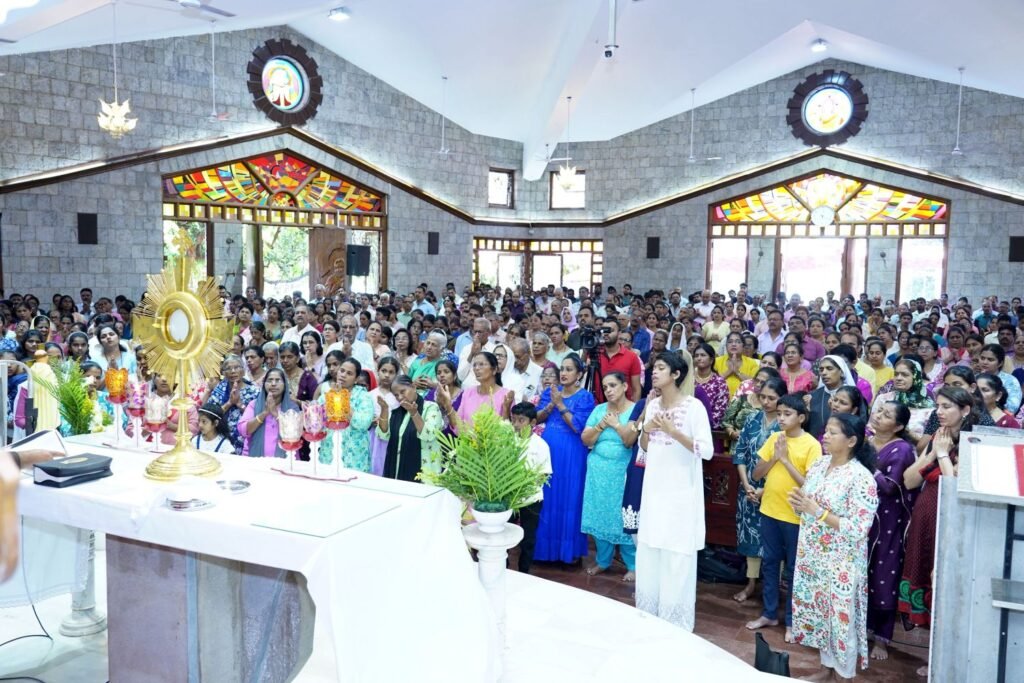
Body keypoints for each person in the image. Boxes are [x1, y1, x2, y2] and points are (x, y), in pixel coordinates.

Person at [788, 414, 879, 681]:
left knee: (842, 621)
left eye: (832, 432)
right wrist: (800, 503)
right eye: (825, 431)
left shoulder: (861, 478)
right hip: (812, 555)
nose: (825, 436)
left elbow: (859, 528)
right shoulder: (820, 464)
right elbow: (809, 502)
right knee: (821, 615)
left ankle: (844, 676)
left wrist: (818, 512)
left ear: (851, 441)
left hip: (842, 562)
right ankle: (826, 670)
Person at [899, 386, 975, 678]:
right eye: (938, 406)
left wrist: (943, 455)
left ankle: (946, 659)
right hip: (925, 518)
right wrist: (932, 453)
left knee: (944, 585)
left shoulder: (972, 442)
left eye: (947, 407)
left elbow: (955, 487)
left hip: (952, 522)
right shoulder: (936, 438)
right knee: (923, 577)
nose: (940, 412)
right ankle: (933, 653)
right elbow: (908, 481)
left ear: (965, 410)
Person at [635, 351, 714, 632]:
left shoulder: (694, 408)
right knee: (650, 551)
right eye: (653, 368)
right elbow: (644, 447)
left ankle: (675, 626)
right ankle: (648, 619)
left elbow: (707, 450)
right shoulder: (653, 405)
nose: (653, 372)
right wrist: (647, 429)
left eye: (660, 368)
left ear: (676, 374)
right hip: (654, 491)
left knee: (676, 556)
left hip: (681, 495)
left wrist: (674, 432)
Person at [746, 394, 822, 643]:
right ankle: (769, 614)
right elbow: (757, 474)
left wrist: (785, 460)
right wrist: (774, 458)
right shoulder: (774, 438)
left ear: (801, 417)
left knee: (793, 569)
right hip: (769, 510)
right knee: (769, 564)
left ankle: (792, 620)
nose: (781, 418)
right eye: (779, 413)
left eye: (787, 414)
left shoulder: (812, 445)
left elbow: (810, 485)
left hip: (795, 516)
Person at [866, 401, 918, 662]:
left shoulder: (902, 449)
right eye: (879, 411)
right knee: (861, 575)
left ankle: (882, 639)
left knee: (883, 577)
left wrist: (869, 467)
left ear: (898, 426)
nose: (878, 416)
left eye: (886, 415)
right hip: (863, 518)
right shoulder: (866, 441)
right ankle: (862, 629)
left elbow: (889, 486)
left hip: (888, 523)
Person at [534, 354, 597, 564]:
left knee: (570, 497)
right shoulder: (550, 392)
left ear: (579, 374)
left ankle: (568, 553)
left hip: (572, 452)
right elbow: (536, 418)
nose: (564, 373)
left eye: (569, 369)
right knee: (547, 497)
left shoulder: (585, 397)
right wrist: (550, 405)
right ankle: (545, 552)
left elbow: (578, 426)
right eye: (562, 368)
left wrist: (560, 404)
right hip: (548, 450)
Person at [731, 375, 786, 604]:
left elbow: (786, 463)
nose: (765, 402)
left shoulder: (786, 426)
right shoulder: (752, 419)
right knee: (750, 538)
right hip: (748, 490)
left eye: (771, 398)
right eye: (762, 396)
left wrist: (764, 490)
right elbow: (740, 453)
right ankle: (751, 583)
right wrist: (746, 485)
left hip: (775, 491)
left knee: (774, 541)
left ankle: (772, 588)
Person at [581, 372, 639, 581]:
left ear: (625, 386)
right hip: (598, 472)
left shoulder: (635, 410)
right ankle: (603, 561)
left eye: (613, 385)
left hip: (622, 471)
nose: (608, 390)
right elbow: (586, 439)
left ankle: (633, 565)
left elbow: (628, 441)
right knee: (600, 513)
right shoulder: (599, 410)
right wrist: (600, 425)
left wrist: (615, 424)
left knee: (622, 516)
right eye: (605, 387)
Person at [509, 402, 553, 574]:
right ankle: (503, 568)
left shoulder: (541, 445)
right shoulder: (507, 441)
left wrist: (524, 484)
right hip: (509, 497)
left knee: (528, 539)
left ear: (533, 423)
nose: (516, 425)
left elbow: (544, 474)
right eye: (513, 420)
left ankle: (523, 572)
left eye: (521, 420)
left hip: (531, 499)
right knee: (504, 533)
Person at [377, 374, 444, 481]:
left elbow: (429, 435)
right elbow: (384, 434)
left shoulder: (430, 407)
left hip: (425, 473)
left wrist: (414, 414)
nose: (400, 397)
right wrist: (384, 409)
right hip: (397, 472)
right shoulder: (396, 412)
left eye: (403, 391)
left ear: (413, 387)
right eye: (396, 395)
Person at [318, 353, 374, 472]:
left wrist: (341, 399)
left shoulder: (363, 396)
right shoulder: (327, 395)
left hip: (354, 456)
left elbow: (364, 423)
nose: (343, 375)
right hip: (329, 451)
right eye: (342, 371)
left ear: (356, 379)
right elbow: (318, 422)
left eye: (349, 373)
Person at [869, 356, 934, 443]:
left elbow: (928, 443)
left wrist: (906, 431)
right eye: (896, 374)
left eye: (905, 375)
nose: (898, 378)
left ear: (916, 377)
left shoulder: (930, 409)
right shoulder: (883, 399)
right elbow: (870, 427)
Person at [238, 368, 300, 457]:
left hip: (287, 458)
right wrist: (264, 412)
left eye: (278, 380)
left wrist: (275, 413)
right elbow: (243, 430)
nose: (273, 384)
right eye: (270, 380)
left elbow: (295, 433)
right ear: (264, 385)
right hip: (254, 459)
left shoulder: (292, 407)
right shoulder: (254, 405)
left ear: (285, 385)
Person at [207, 354, 260, 454]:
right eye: (228, 368)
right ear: (223, 372)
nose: (233, 371)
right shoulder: (220, 388)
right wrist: (229, 403)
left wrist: (240, 404)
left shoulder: (254, 391)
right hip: (221, 439)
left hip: (246, 440)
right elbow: (210, 415)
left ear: (243, 370)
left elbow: (258, 418)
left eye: (236, 367)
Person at [806, 355, 857, 439]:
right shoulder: (812, 396)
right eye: (821, 369)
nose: (824, 373)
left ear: (841, 372)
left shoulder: (853, 395)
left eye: (829, 369)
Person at [368, 357, 401, 475]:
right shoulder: (370, 395)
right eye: (384, 371)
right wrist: (371, 420)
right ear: (378, 371)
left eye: (391, 372)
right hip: (371, 436)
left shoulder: (398, 397)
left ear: (396, 374)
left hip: (391, 437)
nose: (387, 375)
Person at [692, 342, 728, 429]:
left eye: (703, 355)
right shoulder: (688, 379)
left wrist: (702, 425)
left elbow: (720, 412)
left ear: (711, 360)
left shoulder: (719, 382)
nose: (699, 358)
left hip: (709, 428)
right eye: (696, 356)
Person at [978, 343, 1022, 414]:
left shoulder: (1010, 380)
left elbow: (1012, 407)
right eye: (982, 358)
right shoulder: (975, 377)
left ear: (1000, 363)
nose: (985, 362)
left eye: (990, 360)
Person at [714, 332, 760, 398]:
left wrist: (737, 372)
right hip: (719, 400)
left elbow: (755, 384)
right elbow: (712, 384)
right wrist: (729, 371)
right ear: (726, 346)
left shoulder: (752, 363)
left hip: (743, 401)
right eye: (730, 342)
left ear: (743, 346)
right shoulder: (716, 361)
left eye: (738, 342)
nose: (733, 344)